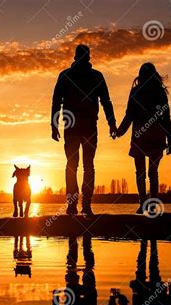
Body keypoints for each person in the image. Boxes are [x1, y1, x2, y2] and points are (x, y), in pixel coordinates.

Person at [51, 44, 117, 216]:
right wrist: (112, 123)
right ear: (88, 58)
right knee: (87, 165)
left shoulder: (66, 75)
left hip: (75, 126)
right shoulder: (95, 76)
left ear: (75, 57)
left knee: (73, 165)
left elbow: (56, 102)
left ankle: (75, 205)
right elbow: (106, 102)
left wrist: (54, 125)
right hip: (85, 126)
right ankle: (84, 205)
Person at [116, 63, 171, 214]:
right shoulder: (159, 92)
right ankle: (152, 205)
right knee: (152, 172)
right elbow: (166, 116)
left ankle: (143, 204)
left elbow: (129, 115)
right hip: (156, 136)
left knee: (140, 172)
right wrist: (170, 137)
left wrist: (119, 131)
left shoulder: (136, 91)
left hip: (140, 136)